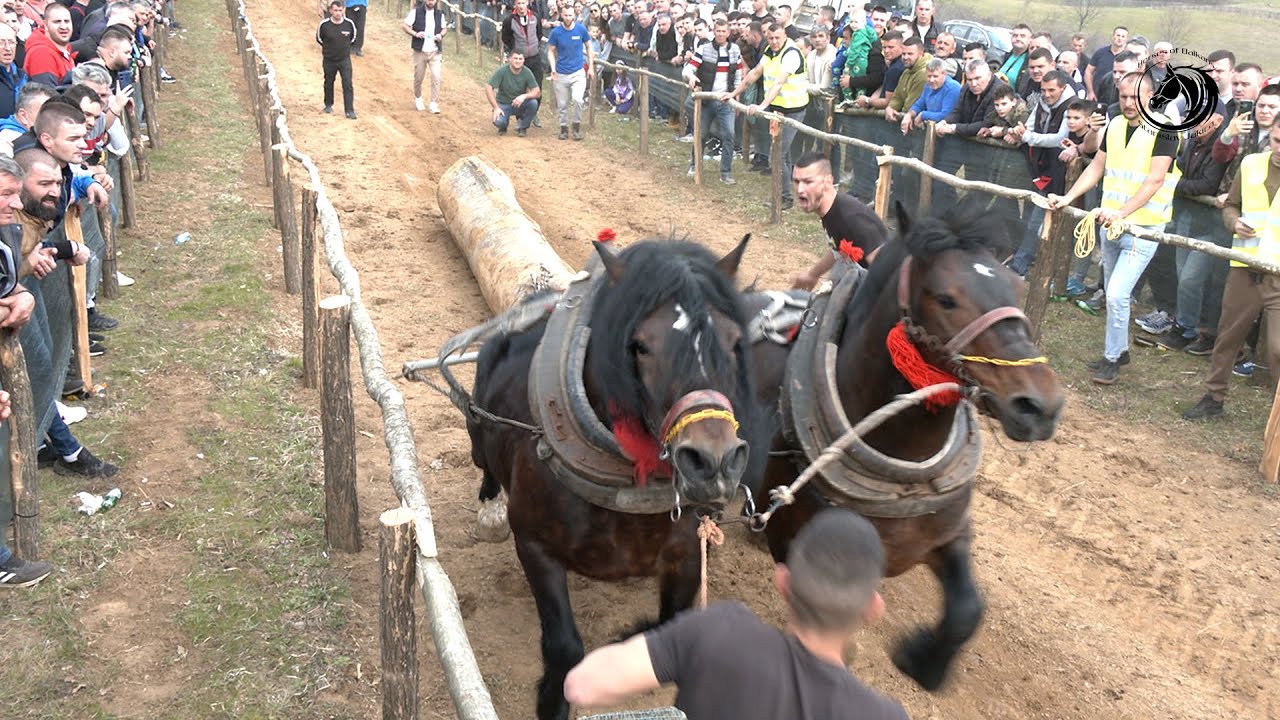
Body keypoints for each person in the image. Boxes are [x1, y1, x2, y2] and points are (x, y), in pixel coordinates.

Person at [563, 508, 907, 720]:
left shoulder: (720, 631)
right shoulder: (883, 715)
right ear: (873, 608)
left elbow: (582, 687)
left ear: (783, 582)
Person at [1048, 72, 1181, 385]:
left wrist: (1121, 213)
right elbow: (1097, 166)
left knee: (1118, 293)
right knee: (1111, 291)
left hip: (1142, 227)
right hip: (1111, 221)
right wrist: (1068, 197)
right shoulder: (1116, 125)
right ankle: (1118, 351)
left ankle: (1112, 359)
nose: (1129, 103)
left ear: (1151, 96)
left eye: (1135, 97)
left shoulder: (1166, 130)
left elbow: (1156, 179)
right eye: (1123, 96)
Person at [1182, 121, 1280, 420]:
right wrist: (1233, 222)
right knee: (1227, 337)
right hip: (1245, 267)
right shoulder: (1250, 164)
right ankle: (1214, 398)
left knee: (1277, 349)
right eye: (1277, 139)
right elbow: (1231, 205)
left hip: (1278, 276)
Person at [725, 23, 809, 210]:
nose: (774, 42)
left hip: (793, 110)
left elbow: (779, 83)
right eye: (770, 38)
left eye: (777, 38)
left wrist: (762, 105)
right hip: (777, 110)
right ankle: (785, 196)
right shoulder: (769, 52)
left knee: (777, 155)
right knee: (782, 155)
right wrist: (733, 93)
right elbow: (754, 73)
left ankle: (784, 198)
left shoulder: (791, 54)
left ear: (785, 35)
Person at [791, 152, 886, 289]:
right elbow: (839, 248)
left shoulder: (852, 218)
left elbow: (884, 268)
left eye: (808, 182)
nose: (800, 189)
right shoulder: (831, 213)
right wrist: (813, 274)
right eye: (796, 181)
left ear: (828, 182)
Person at [683, 17, 741, 183]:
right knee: (700, 133)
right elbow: (688, 69)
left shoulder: (735, 50)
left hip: (726, 100)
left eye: (724, 31)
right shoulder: (704, 48)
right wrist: (691, 77)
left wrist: (737, 97)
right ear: (713, 32)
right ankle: (695, 164)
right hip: (706, 99)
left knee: (729, 134)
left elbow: (738, 75)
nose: (721, 34)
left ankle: (726, 172)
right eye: (718, 31)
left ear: (728, 32)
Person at [546, 4, 594, 140]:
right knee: (562, 104)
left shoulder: (581, 29)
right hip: (561, 72)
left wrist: (590, 66)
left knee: (578, 99)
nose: (568, 18)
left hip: (578, 72)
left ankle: (576, 126)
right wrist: (553, 68)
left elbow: (589, 47)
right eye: (565, 15)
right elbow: (550, 51)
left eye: (570, 15)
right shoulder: (556, 32)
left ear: (574, 15)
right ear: (562, 15)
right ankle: (563, 128)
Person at [402, 0, 446, 113]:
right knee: (418, 77)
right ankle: (418, 98)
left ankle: (433, 103)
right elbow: (405, 25)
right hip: (420, 50)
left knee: (436, 77)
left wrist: (440, 35)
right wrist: (415, 34)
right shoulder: (415, 12)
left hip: (435, 51)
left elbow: (444, 28)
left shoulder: (440, 14)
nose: (431, 2)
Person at [316, 0, 357, 119]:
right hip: (329, 60)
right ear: (330, 11)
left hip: (344, 60)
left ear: (344, 10)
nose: (338, 13)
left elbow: (353, 38)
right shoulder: (324, 25)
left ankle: (349, 110)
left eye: (340, 10)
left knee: (347, 84)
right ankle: (328, 104)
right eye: (335, 10)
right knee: (328, 82)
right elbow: (319, 39)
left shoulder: (349, 24)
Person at [486, 49, 540, 136]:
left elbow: (537, 91)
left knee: (533, 103)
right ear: (510, 59)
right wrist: (495, 107)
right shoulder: (502, 71)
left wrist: (524, 96)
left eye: (520, 59)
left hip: (519, 104)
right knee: (498, 122)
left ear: (523, 60)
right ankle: (503, 125)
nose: (517, 61)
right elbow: (489, 87)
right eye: (515, 58)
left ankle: (523, 127)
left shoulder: (527, 72)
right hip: (503, 103)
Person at [900, 56, 958, 134]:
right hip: (931, 130)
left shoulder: (953, 88)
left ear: (944, 74)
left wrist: (923, 115)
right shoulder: (928, 86)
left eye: (935, 76)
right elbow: (920, 104)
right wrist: (909, 115)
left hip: (947, 133)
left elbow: (946, 115)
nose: (931, 80)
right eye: (929, 76)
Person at [22, 2, 75, 85]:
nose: (63, 26)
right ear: (45, 25)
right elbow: (46, 95)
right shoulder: (41, 53)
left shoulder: (64, 51)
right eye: (57, 22)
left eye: (67, 21)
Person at [883, 35, 927, 124]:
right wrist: (890, 108)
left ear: (921, 54)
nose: (905, 57)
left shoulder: (924, 73)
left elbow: (910, 104)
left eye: (910, 54)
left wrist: (901, 115)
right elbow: (897, 96)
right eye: (903, 54)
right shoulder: (906, 71)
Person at [502, 0, 546, 91]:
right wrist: (515, 49)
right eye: (519, 3)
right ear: (515, 5)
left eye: (523, 3)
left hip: (535, 58)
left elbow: (539, 34)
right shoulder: (509, 20)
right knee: (518, 88)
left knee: (537, 87)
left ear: (527, 3)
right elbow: (506, 38)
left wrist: (534, 45)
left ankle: (535, 104)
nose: (521, 6)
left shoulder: (535, 17)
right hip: (519, 59)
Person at [1084, 25, 1127, 100]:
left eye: (1123, 36)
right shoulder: (1100, 52)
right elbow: (1088, 72)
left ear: (1126, 39)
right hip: (1096, 96)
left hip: (1117, 97)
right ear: (1113, 36)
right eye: (1118, 35)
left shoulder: (1128, 57)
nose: (1120, 38)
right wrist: (1090, 91)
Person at [996, 23, 1030, 90]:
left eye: (1022, 36)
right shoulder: (1005, 57)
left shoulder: (1030, 62)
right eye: (1015, 35)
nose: (1018, 38)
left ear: (1029, 40)